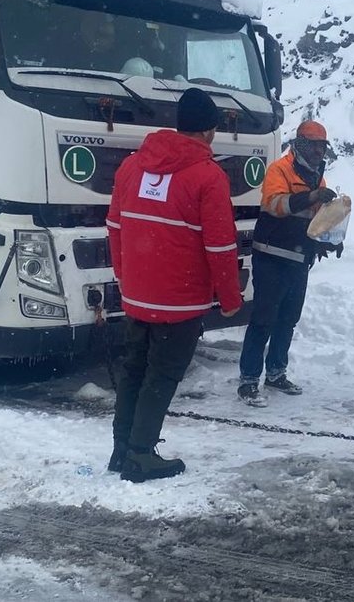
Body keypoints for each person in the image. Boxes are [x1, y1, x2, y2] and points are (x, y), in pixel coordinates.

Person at [106, 88, 242, 482]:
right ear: (210, 132)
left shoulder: (132, 166)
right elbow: (220, 244)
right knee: (162, 374)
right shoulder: (208, 176)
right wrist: (230, 297)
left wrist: (123, 273)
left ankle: (121, 448)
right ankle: (141, 454)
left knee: (134, 368)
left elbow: (114, 226)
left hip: (137, 294)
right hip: (179, 299)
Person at [236, 120, 342, 407]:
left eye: (323, 147)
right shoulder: (279, 170)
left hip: (298, 260)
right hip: (271, 255)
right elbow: (276, 205)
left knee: (288, 320)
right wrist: (310, 197)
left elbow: (315, 221)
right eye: (316, 145)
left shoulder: (318, 178)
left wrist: (329, 239)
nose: (321, 152)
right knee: (263, 319)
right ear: (302, 144)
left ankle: (276, 372)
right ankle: (248, 380)